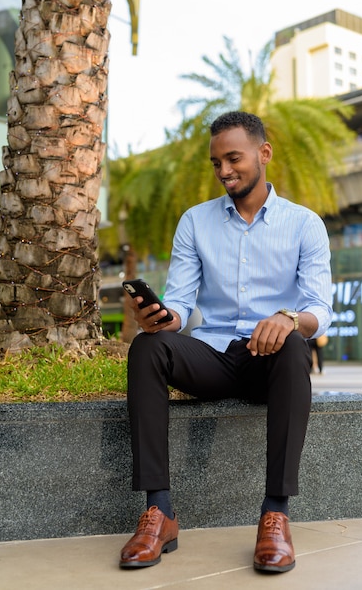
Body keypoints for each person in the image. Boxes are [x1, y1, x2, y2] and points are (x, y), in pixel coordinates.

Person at [119, 111, 333, 574]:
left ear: (264, 153)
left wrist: (291, 317)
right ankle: (160, 512)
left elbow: (319, 307)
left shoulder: (304, 225)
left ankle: (275, 513)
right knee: (148, 347)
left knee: (297, 345)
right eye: (216, 163)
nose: (224, 171)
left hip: (269, 361)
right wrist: (161, 316)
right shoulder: (195, 222)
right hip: (212, 355)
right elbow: (180, 302)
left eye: (233, 158)